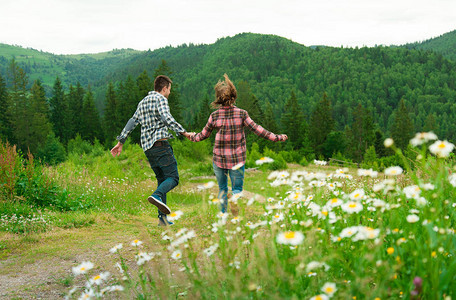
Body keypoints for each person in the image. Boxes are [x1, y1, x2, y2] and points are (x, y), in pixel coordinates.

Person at [187, 74, 288, 213]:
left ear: (218, 99)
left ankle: (223, 215)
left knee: (222, 189)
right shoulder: (242, 114)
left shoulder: (214, 116)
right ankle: (234, 198)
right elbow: (258, 130)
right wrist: (277, 137)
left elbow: (202, 135)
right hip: (237, 159)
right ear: (234, 96)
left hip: (219, 159)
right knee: (237, 189)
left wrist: (191, 136)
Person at [111, 75, 191, 226]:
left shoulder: (142, 102)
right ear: (165, 88)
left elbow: (132, 122)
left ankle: (162, 220)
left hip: (148, 149)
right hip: (161, 145)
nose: (169, 93)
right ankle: (157, 195)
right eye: (169, 90)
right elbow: (167, 118)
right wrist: (184, 133)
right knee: (173, 178)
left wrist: (121, 141)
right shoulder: (161, 99)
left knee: (162, 179)